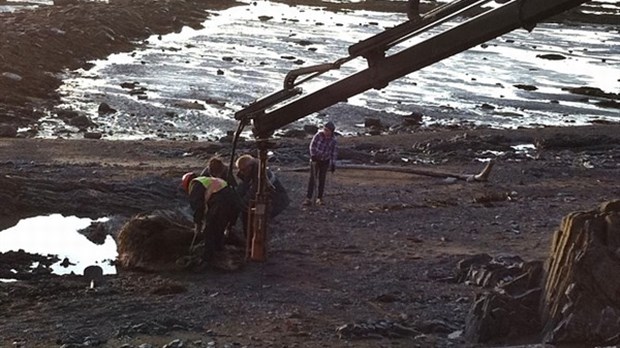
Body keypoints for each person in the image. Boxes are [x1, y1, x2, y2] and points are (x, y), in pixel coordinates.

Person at [181, 172, 240, 263]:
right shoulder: (208, 180)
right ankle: (219, 250)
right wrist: (231, 223)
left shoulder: (195, 184)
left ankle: (207, 259)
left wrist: (198, 224)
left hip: (220, 202)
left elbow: (198, 207)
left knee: (209, 230)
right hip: (232, 201)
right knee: (219, 228)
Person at [235, 154, 291, 229]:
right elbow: (243, 186)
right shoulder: (251, 171)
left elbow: (254, 191)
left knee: (255, 217)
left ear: (250, 167)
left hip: (277, 199)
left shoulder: (262, 175)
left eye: (243, 170)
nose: (241, 172)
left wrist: (240, 204)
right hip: (264, 197)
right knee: (246, 212)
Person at [304, 121, 338, 206]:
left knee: (322, 179)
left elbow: (334, 152)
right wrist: (313, 155)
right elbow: (312, 146)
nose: (325, 132)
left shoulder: (333, 140)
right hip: (315, 160)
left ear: (331, 131)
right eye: (325, 129)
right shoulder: (318, 135)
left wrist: (333, 164)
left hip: (325, 161)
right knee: (312, 179)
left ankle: (319, 198)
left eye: (327, 130)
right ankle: (308, 198)